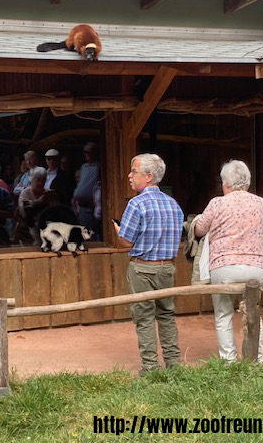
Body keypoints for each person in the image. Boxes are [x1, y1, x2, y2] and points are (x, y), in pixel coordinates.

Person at [194, 160, 263, 363]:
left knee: (223, 314)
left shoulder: (218, 203)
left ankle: (229, 362)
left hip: (224, 266)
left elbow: (200, 229)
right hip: (256, 267)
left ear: (226, 183)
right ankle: (257, 360)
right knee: (254, 314)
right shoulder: (260, 203)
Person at [113, 153, 183, 376]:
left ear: (149, 176)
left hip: (142, 268)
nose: (129, 176)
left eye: (134, 171)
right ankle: (173, 365)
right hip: (167, 268)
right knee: (166, 315)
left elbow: (125, 242)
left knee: (144, 317)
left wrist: (118, 231)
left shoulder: (137, 204)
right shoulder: (174, 204)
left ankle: (151, 368)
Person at [73, 142, 100, 230]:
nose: (86, 154)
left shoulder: (98, 166)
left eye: (89, 152)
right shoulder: (83, 167)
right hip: (80, 206)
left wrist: (95, 202)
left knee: (91, 232)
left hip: (91, 206)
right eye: (85, 152)